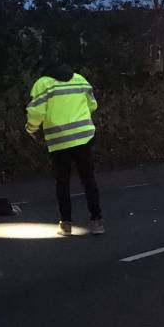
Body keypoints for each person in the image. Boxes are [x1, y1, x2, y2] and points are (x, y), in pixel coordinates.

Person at [26, 55, 105, 237]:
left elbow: (36, 111)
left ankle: (66, 224)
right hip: (84, 136)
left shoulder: (43, 83)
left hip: (59, 139)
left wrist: (31, 128)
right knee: (88, 180)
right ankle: (97, 221)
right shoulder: (79, 79)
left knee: (63, 182)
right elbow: (93, 104)